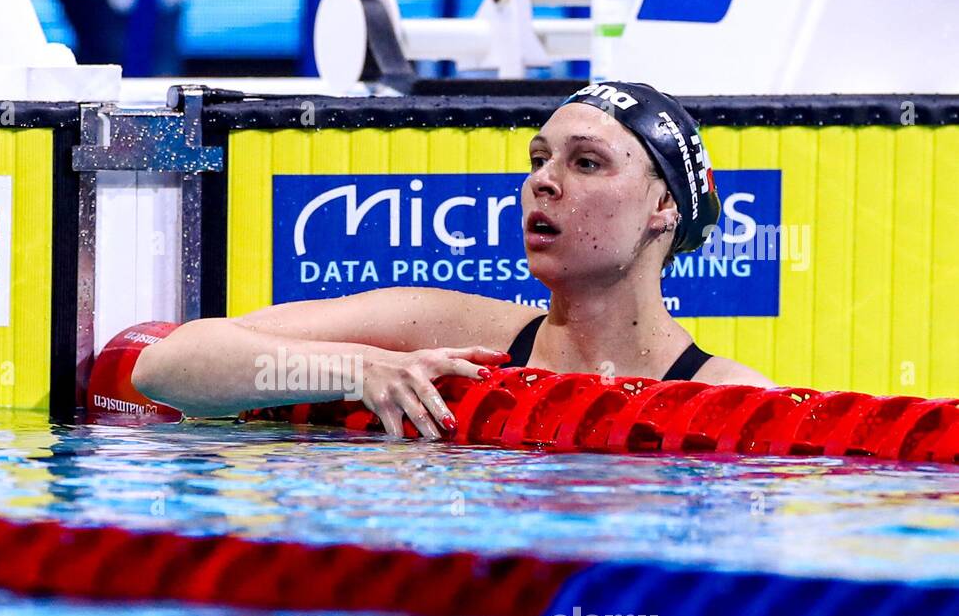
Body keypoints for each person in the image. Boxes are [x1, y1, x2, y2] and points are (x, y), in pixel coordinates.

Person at [133, 81, 773, 440]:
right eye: (538, 159)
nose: (543, 182)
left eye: (586, 162)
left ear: (663, 205)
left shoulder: (734, 400)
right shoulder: (436, 329)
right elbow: (166, 365)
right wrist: (359, 369)